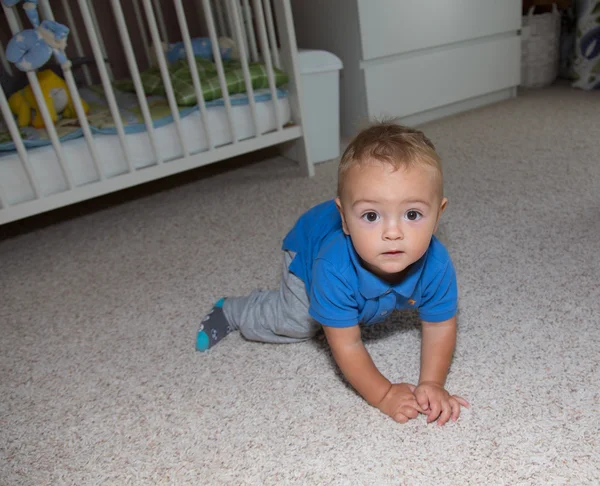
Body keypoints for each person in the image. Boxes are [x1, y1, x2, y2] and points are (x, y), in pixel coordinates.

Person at [196, 120, 469, 425]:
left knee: (367, 305)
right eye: (371, 215)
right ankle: (231, 310)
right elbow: (347, 344)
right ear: (344, 219)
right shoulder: (332, 268)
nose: (393, 232)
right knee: (298, 322)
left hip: (352, 269)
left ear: (438, 215)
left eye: (412, 214)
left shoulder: (437, 264)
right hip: (307, 252)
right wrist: (383, 394)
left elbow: (440, 326)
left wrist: (432, 383)